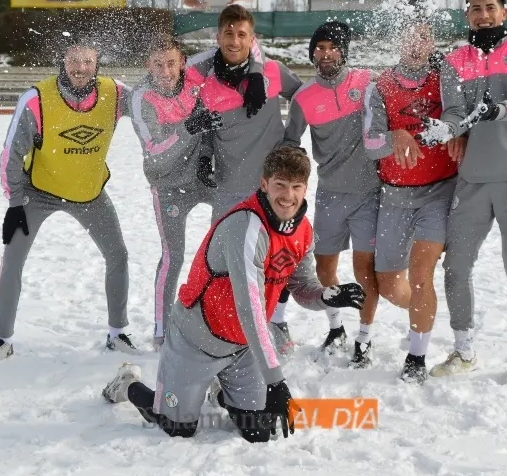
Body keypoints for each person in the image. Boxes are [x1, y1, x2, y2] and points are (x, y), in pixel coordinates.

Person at [101, 147, 365, 442]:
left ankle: (219, 391)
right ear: (264, 185)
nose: (288, 196)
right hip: (196, 340)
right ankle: (127, 384)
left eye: (296, 187)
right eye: (280, 185)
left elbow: (301, 286)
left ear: (305, 188)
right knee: (178, 429)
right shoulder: (246, 227)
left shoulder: (302, 230)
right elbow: (249, 309)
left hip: (242, 347)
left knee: (259, 431)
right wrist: (276, 382)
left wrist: (326, 297)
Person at [418, 0, 507, 384]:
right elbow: (455, 113)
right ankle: (464, 350)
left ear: (504, 11)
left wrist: (497, 110)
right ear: (467, 14)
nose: (483, 14)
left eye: (490, 6)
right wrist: (444, 130)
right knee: (455, 267)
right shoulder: (455, 61)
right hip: (473, 179)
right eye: (475, 8)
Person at [0, 39, 135, 363]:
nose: (80, 68)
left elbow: (152, 109)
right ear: (62, 62)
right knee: (12, 260)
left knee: (118, 256)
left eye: (88, 61)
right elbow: (11, 157)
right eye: (74, 61)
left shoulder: (116, 93)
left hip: (89, 194)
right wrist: (14, 204)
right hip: (38, 193)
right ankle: (2, 339)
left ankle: (117, 333)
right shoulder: (37, 98)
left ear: (97, 63)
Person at [185, 4, 304, 352]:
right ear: (217, 36)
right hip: (229, 187)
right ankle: (222, 326)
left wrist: (291, 142)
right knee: (223, 260)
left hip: (272, 190)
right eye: (228, 33)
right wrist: (205, 155)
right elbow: (204, 129)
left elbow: (305, 98)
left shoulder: (273, 72)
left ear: (253, 39)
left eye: (242, 34)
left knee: (276, 262)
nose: (234, 40)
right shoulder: (206, 84)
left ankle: (275, 323)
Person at [363, 22, 463, 383]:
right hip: (393, 196)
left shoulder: (444, 75)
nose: (417, 44)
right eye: (409, 36)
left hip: (437, 192)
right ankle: (423, 313)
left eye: (424, 37)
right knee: (390, 286)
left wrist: (453, 132)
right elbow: (370, 143)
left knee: (422, 275)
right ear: (398, 40)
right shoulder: (381, 85)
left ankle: (416, 355)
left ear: (432, 41)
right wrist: (395, 133)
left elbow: (457, 114)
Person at [281, 21, 381, 368]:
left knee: (365, 270)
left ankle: (364, 338)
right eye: (320, 48)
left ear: (344, 51)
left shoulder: (367, 83)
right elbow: (290, 144)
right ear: (312, 54)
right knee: (324, 268)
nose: (326, 54)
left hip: (369, 194)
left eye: (333, 47)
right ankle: (336, 327)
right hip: (330, 195)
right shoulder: (304, 97)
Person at [127, 34, 222, 350]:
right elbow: (154, 152)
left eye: (171, 63)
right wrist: (187, 130)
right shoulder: (141, 98)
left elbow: (239, 45)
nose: (165, 72)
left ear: (183, 61)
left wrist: (206, 155)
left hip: (203, 177)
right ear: (147, 66)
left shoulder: (194, 75)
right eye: (157, 65)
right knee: (173, 255)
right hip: (169, 186)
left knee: (225, 246)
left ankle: (220, 318)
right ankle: (161, 331)